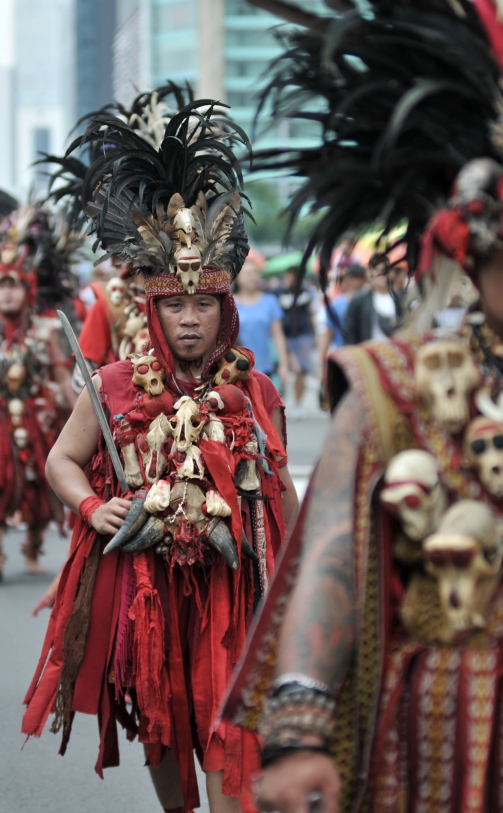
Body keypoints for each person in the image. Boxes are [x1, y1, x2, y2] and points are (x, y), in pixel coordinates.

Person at [221, 2, 503, 812]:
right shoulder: (397, 383)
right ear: (475, 244)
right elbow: (333, 558)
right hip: (455, 737)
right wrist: (299, 731)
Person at [22, 91, 298, 813]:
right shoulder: (113, 384)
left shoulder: (260, 390)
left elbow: (280, 491)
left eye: (202, 304)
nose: (188, 318)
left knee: (230, 731)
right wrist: (92, 503)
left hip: (233, 592)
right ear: (152, 309)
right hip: (146, 586)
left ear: (224, 309)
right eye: (174, 305)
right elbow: (60, 460)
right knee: (163, 728)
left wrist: (302, 585)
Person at [0, 199, 77, 581]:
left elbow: (63, 377)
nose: (7, 293)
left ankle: (32, 545)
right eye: (0, 286)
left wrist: (83, 412)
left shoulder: (45, 331)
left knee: (38, 482)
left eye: (14, 285)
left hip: (39, 414)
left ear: (29, 290)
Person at [234, 251, 289, 393]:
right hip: (237, 368)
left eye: (254, 273)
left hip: (266, 367)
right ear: (238, 277)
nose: (251, 277)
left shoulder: (270, 301)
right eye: (247, 274)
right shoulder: (230, 303)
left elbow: (278, 335)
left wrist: (283, 364)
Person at [319, 263, 366, 398]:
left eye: (358, 277)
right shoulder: (337, 304)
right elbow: (327, 333)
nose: (355, 281)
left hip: (364, 355)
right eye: (353, 277)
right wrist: (323, 363)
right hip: (343, 355)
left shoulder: (370, 300)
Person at [275, 267, 315, 417]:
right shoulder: (277, 294)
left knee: (301, 370)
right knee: (283, 369)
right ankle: (280, 400)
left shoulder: (306, 293)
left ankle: (298, 404)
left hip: (302, 335)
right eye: (290, 276)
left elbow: (310, 314)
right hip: (283, 335)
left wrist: (314, 335)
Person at [342, 252, 401, 344]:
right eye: (380, 271)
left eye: (387, 271)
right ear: (370, 273)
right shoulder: (359, 300)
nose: (384, 275)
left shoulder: (399, 299)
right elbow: (349, 332)